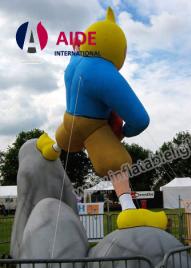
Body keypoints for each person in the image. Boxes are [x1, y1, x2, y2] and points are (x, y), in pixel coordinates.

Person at [35, 7, 167, 230]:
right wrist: (125, 132)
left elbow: (76, 51)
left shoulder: (74, 63)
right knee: (118, 165)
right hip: (93, 128)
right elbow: (140, 119)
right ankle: (129, 211)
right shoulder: (103, 72)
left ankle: (51, 148)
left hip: (69, 122)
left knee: (62, 142)